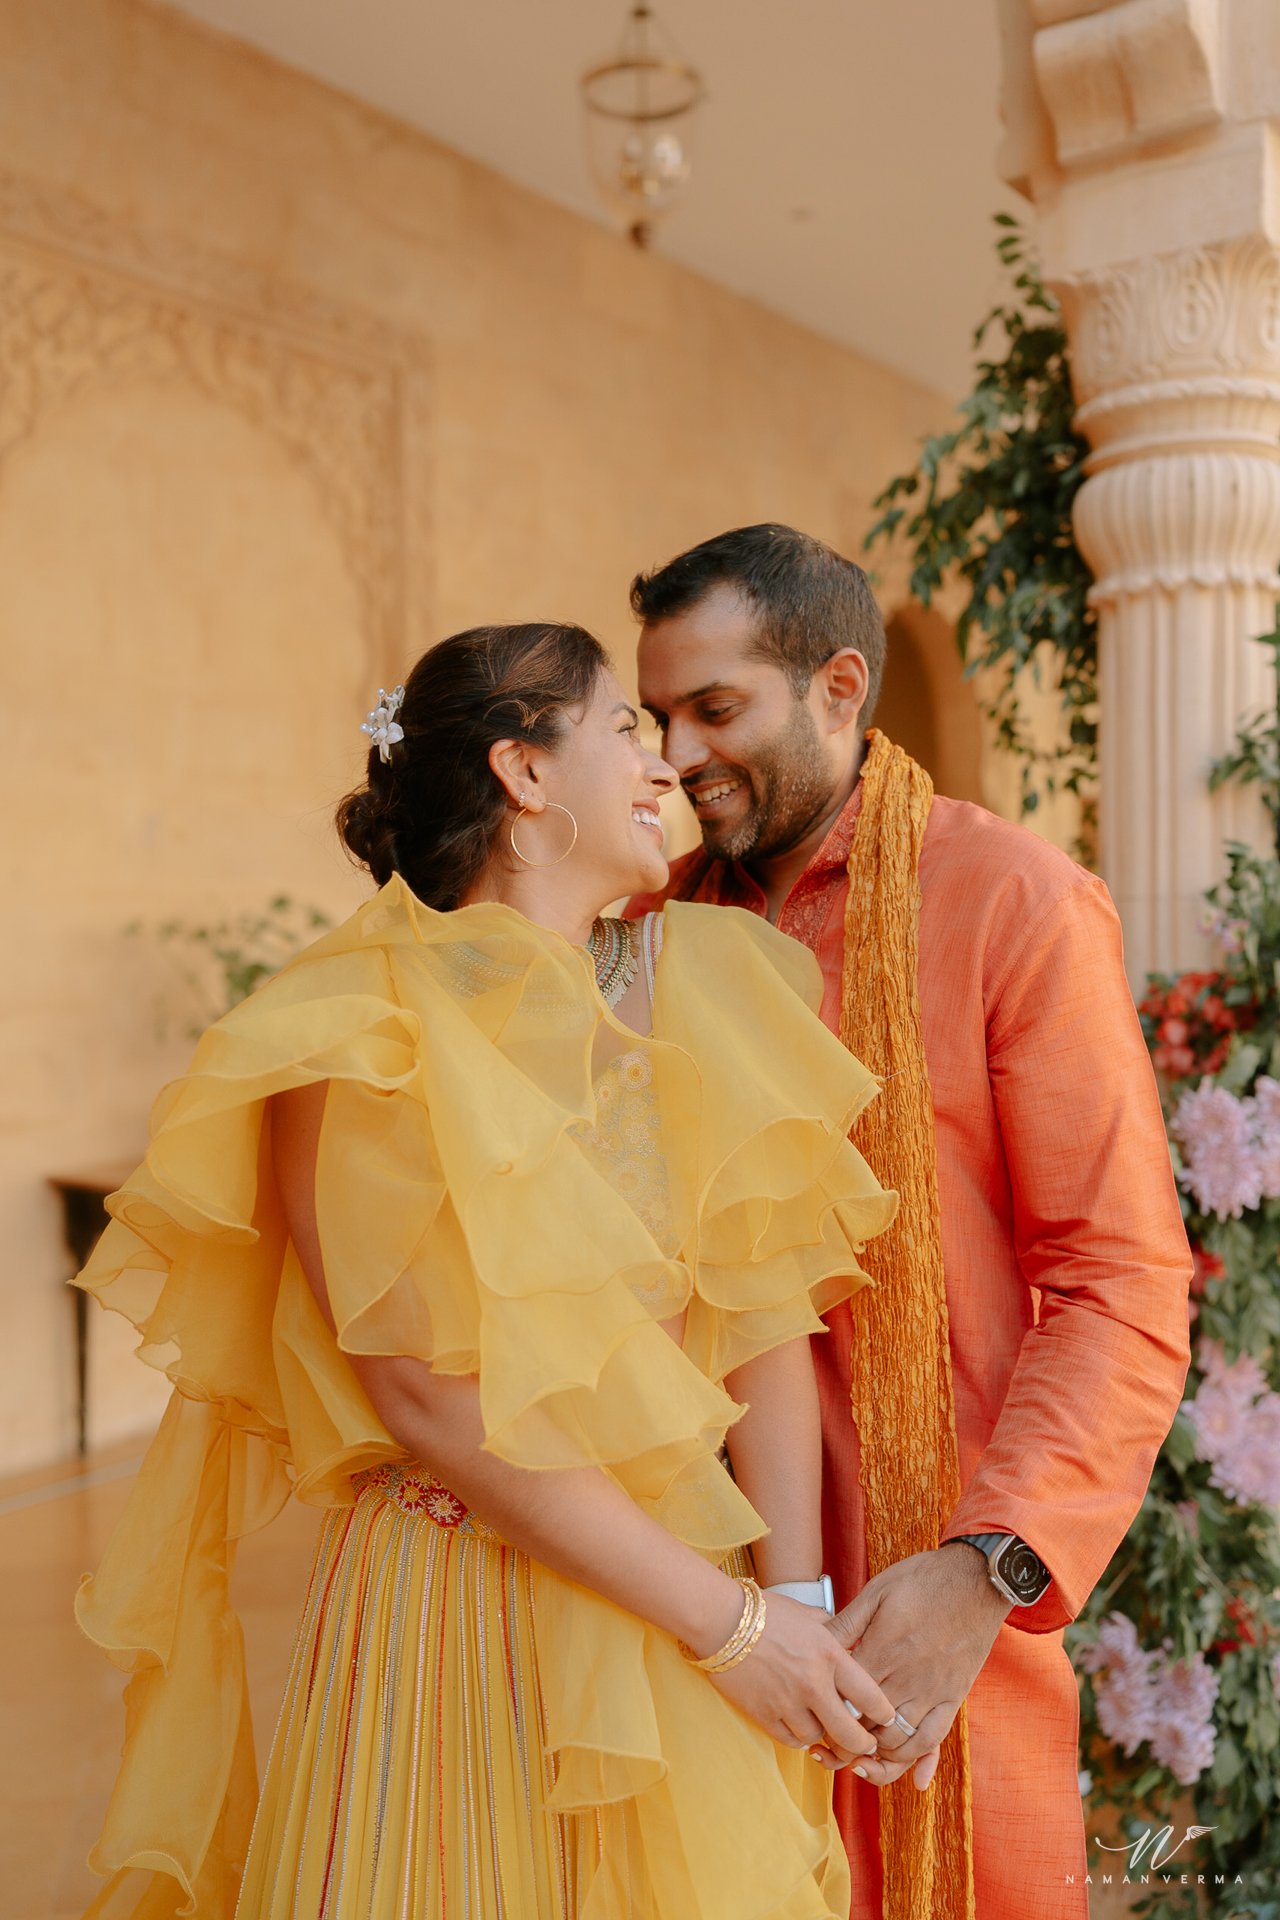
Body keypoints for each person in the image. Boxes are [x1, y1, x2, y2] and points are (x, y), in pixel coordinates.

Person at [73, 620, 913, 1920]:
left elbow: (760, 1316)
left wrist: (793, 1614)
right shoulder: (359, 1027)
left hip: (688, 1607)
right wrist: (732, 1629)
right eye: (625, 730)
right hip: (450, 1604)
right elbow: (421, 1395)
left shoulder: (703, 983)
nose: (665, 766)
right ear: (526, 774)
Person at [627, 526, 1194, 1920]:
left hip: (930, 1603)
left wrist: (987, 1569)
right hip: (692, 1601)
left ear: (837, 687)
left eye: (714, 709)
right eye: (656, 718)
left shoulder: (1014, 904)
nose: (677, 754)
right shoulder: (647, 928)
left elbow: (1121, 1280)